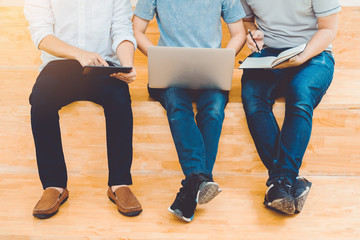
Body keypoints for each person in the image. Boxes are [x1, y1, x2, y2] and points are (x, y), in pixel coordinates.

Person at [24, 0, 142, 219]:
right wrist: (79, 54)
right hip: (59, 64)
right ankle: (54, 186)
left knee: (120, 99)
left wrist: (127, 65)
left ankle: (119, 183)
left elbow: (121, 28)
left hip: (103, 65)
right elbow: (41, 35)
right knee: (41, 99)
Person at [133, 0, 246, 222]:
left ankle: (193, 185)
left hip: (210, 73)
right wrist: (158, 56)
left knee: (213, 110)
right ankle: (200, 180)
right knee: (177, 105)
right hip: (170, 75)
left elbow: (239, 33)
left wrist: (221, 59)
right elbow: (137, 30)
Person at [239, 0, 341, 214]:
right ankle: (286, 182)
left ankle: (280, 182)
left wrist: (302, 56)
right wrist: (254, 35)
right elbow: (247, 21)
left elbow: (328, 29)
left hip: (314, 54)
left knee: (300, 94)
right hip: (269, 55)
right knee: (252, 96)